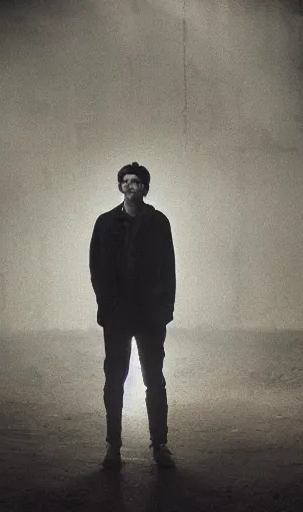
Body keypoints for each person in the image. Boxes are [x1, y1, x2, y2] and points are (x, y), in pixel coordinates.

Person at [89, 162, 176, 470]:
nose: (129, 186)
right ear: (120, 186)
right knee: (114, 379)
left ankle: (160, 444)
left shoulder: (158, 222)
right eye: (125, 181)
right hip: (118, 316)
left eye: (135, 181)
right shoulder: (105, 223)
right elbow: (96, 269)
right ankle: (113, 446)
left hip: (150, 315)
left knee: (155, 379)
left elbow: (168, 268)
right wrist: (108, 309)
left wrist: (165, 310)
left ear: (145, 187)